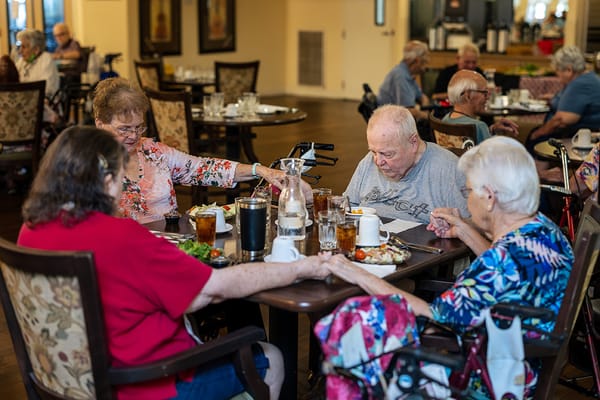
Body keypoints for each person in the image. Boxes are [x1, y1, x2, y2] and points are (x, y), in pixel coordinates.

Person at [17, 126, 332, 400]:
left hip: (68, 379)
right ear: (109, 180)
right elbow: (214, 289)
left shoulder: (30, 231)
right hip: (151, 382)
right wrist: (301, 267)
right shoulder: (121, 237)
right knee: (272, 357)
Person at [328, 136, 574, 398]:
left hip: (484, 377)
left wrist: (359, 274)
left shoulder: (501, 262)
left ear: (489, 197)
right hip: (518, 356)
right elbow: (505, 271)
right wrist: (465, 229)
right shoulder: (542, 232)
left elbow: (433, 314)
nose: (466, 202)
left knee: (353, 328)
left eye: (468, 192)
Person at [92, 77, 312, 224]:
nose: (133, 135)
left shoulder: (153, 152)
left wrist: (262, 171)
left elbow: (205, 168)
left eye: (139, 127)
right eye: (124, 129)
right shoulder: (87, 163)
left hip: (170, 246)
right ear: (100, 124)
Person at [344, 104, 469, 223]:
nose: (378, 161)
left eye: (388, 154)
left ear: (413, 143)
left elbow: (472, 227)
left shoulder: (448, 169)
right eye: (373, 152)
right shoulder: (370, 160)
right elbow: (347, 207)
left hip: (417, 243)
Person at [526, 46, 600, 152]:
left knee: (535, 138)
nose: (558, 77)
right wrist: (554, 98)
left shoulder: (579, 84)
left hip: (577, 137)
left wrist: (538, 133)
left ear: (569, 70)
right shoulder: (588, 78)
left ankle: (539, 168)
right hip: (580, 134)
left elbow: (561, 121)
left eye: (558, 71)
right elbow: (575, 101)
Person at [443, 69, 519, 143]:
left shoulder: (445, 120)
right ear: (468, 96)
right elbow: (490, 154)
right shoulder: (478, 126)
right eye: (484, 93)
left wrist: (491, 130)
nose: (488, 97)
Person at [378, 40, 431, 122]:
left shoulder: (407, 74)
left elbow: (422, 97)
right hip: (390, 123)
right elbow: (407, 111)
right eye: (424, 63)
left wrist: (424, 110)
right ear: (417, 61)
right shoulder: (401, 76)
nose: (424, 68)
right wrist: (428, 116)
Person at [15, 29, 59, 98]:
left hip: (44, 103)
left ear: (36, 49)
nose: (20, 51)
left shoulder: (46, 59)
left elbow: (47, 88)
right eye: (20, 47)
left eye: (24, 47)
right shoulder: (22, 61)